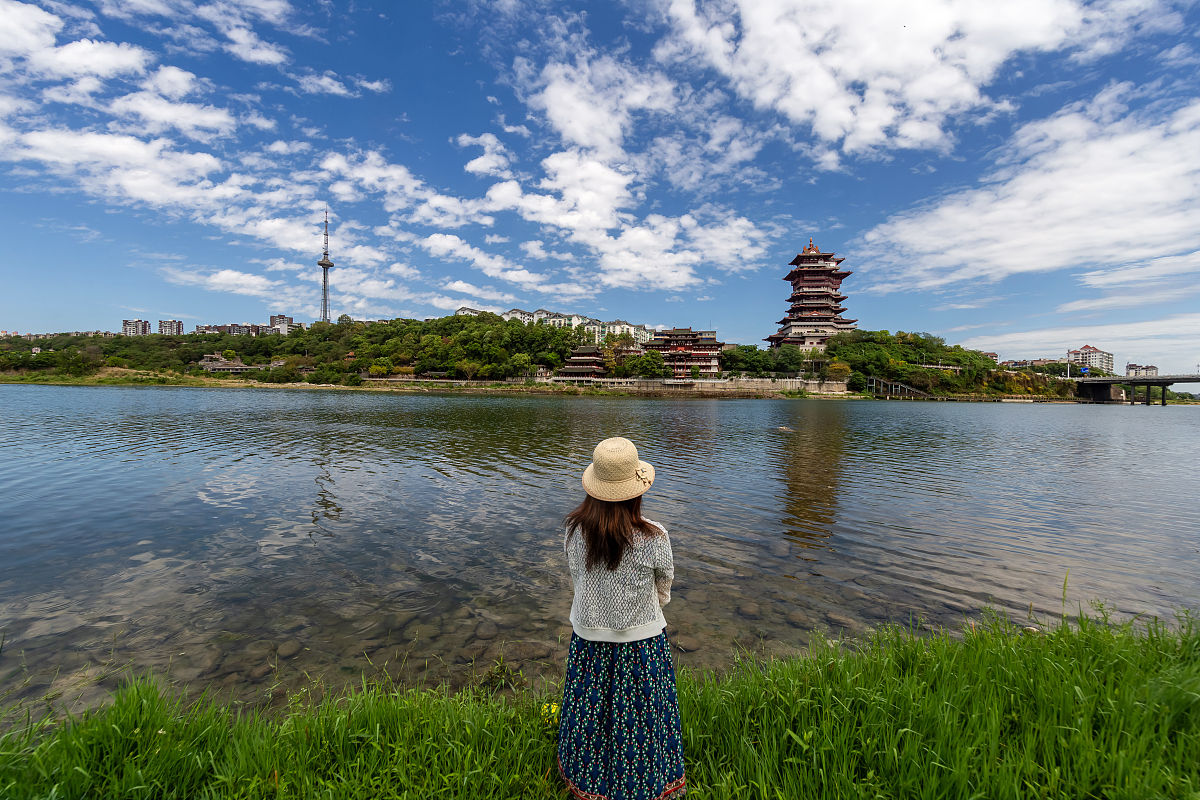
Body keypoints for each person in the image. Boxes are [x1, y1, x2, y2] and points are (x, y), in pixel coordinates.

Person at [557, 436, 686, 800]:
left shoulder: (573, 530)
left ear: (594, 488)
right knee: (642, 717)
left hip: (588, 635)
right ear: (636, 491)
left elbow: (577, 579)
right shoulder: (655, 535)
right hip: (642, 641)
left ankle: (588, 780)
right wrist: (637, 608)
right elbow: (664, 589)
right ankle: (647, 783)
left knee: (590, 711)